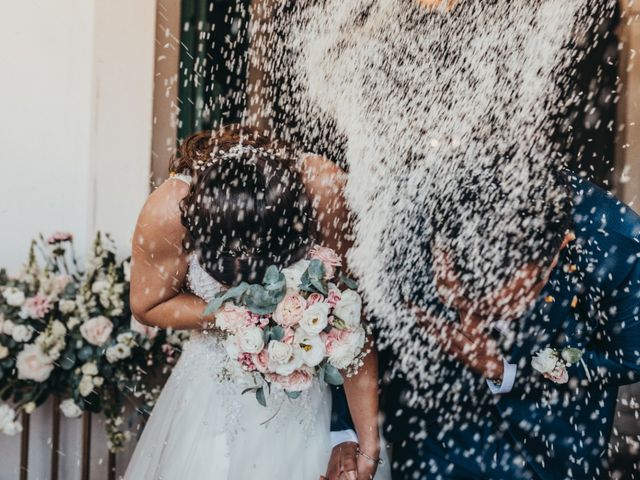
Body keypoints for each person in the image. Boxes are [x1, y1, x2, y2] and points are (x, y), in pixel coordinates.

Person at [125, 125, 390, 479]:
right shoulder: (170, 210)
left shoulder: (324, 189)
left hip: (307, 397)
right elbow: (148, 304)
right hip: (213, 393)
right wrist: (232, 314)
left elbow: (352, 318)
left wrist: (366, 445)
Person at [372, 172, 640, 479]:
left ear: (552, 258)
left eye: (498, 307)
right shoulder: (422, 199)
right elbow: (363, 299)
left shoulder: (621, 243)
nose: (474, 329)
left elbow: (628, 359)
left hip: (545, 448)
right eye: (462, 302)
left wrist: (508, 370)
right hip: (430, 433)